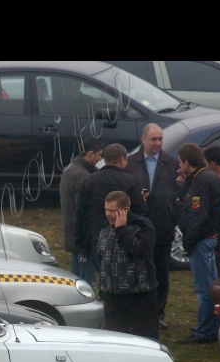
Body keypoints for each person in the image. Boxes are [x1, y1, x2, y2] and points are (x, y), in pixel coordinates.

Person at [127, 124, 183, 330]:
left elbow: (179, 195)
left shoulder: (171, 163)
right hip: (138, 227)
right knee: (137, 269)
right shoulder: (131, 163)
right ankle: (137, 310)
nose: (158, 143)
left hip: (162, 227)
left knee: (161, 271)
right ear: (143, 140)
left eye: (160, 139)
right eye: (154, 139)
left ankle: (158, 312)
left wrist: (172, 216)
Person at [75, 144, 147, 287]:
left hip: (96, 238)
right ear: (122, 159)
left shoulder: (89, 181)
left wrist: (81, 243)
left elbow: (80, 213)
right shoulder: (131, 181)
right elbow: (141, 211)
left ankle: (105, 303)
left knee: (104, 279)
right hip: (124, 237)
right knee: (123, 280)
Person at [177, 144, 220, 345]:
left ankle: (205, 331)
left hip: (202, 241)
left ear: (187, 162)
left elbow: (198, 215)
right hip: (209, 238)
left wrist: (187, 241)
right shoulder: (206, 177)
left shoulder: (202, 181)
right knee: (213, 286)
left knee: (204, 289)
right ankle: (214, 326)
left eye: (181, 162)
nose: (179, 166)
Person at [98, 191, 158, 339]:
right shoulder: (105, 228)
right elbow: (103, 260)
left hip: (139, 295)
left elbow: (138, 250)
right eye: (106, 210)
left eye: (112, 211)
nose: (108, 214)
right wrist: (103, 292)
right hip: (113, 297)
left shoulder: (142, 226)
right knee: (114, 340)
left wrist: (121, 230)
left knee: (145, 338)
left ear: (125, 210)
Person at [60, 137, 104, 279]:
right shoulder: (83, 175)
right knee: (86, 278)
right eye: (99, 155)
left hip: (72, 231)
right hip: (84, 236)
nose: (100, 159)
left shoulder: (69, 169)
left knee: (76, 274)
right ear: (90, 154)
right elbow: (85, 208)